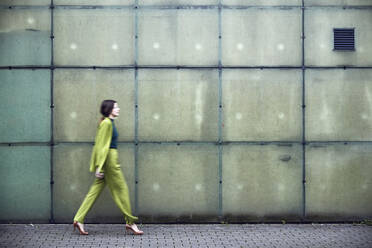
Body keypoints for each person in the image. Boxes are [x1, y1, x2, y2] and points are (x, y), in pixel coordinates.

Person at [73, 100, 143, 235]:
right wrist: (99, 167)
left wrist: (99, 165)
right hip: (109, 160)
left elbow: (100, 145)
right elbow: (101, 146)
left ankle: (78, 219)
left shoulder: (108, 122)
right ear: (109, 109)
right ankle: (130, 222)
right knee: (122, 190)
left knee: (94, 191)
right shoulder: (106, 123)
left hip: (107, 159)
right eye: (116, 107)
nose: (118, 109)